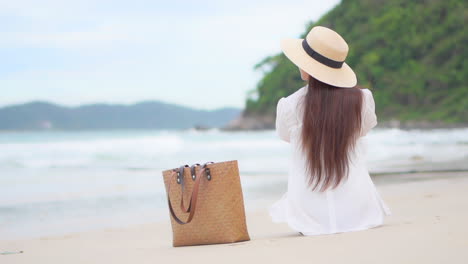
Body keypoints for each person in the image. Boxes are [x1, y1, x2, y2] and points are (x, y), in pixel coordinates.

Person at [269, 26, 391, 236]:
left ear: (307, 66)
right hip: (358, 209)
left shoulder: (289, 106)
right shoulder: (362, 100)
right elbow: (363, 131)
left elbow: (286, 137)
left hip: (308, 214)